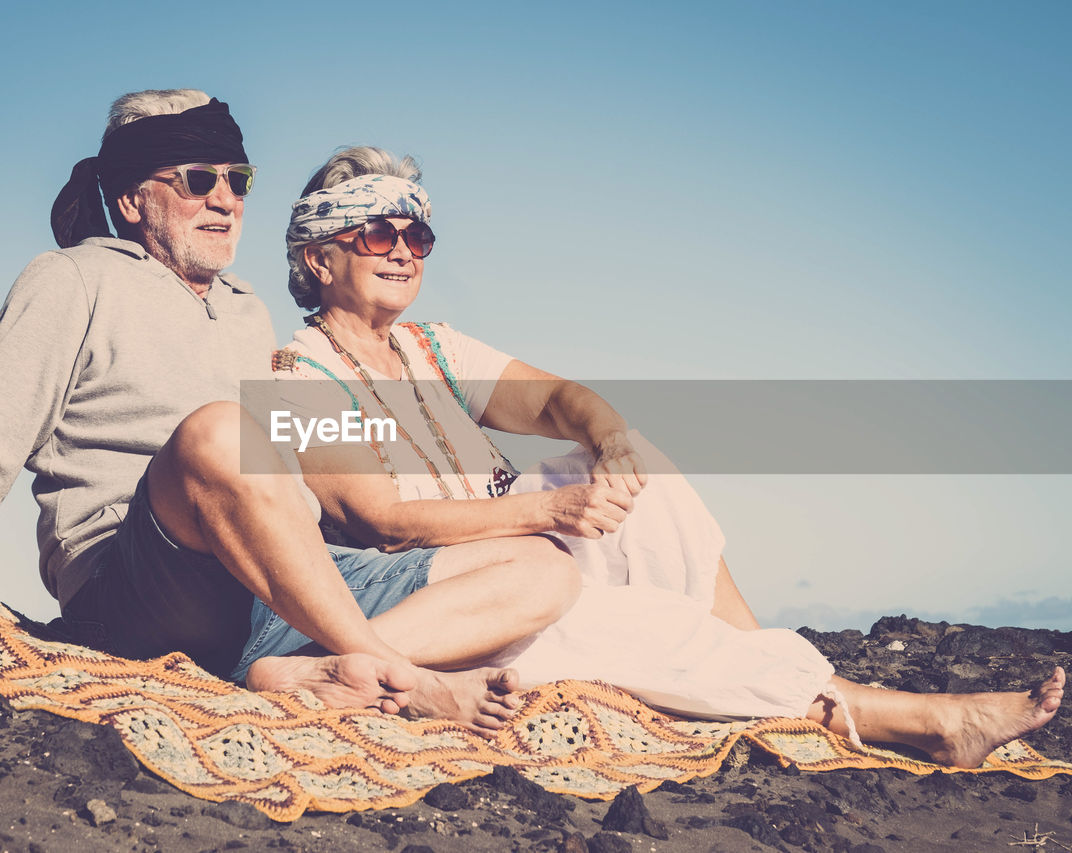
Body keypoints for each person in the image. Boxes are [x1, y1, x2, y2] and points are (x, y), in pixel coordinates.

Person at [0, 91, 590, 736]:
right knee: (220, 431)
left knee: (544, 566)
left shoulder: (248, 316)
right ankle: (399, 676)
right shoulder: (71, 281)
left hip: (260, 581)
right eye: (197, 180)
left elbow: (315, 469)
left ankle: (303, 667)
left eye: (237, 180)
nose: (224, 200)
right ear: (136, 200)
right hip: (136, 578)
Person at [270, 146, 1065, 766]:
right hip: (446, 597)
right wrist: (547, 509)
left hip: (516, 548)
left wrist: (610, 441)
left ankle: (770, 670)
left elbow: (559, 400)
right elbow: (386, 522)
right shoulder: (296, 376)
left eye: (419, 234)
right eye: (378, 232)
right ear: (318, 256)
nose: (404, 250)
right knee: (638, 624)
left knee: (643, 475)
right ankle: (911, 717)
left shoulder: (431, 347)